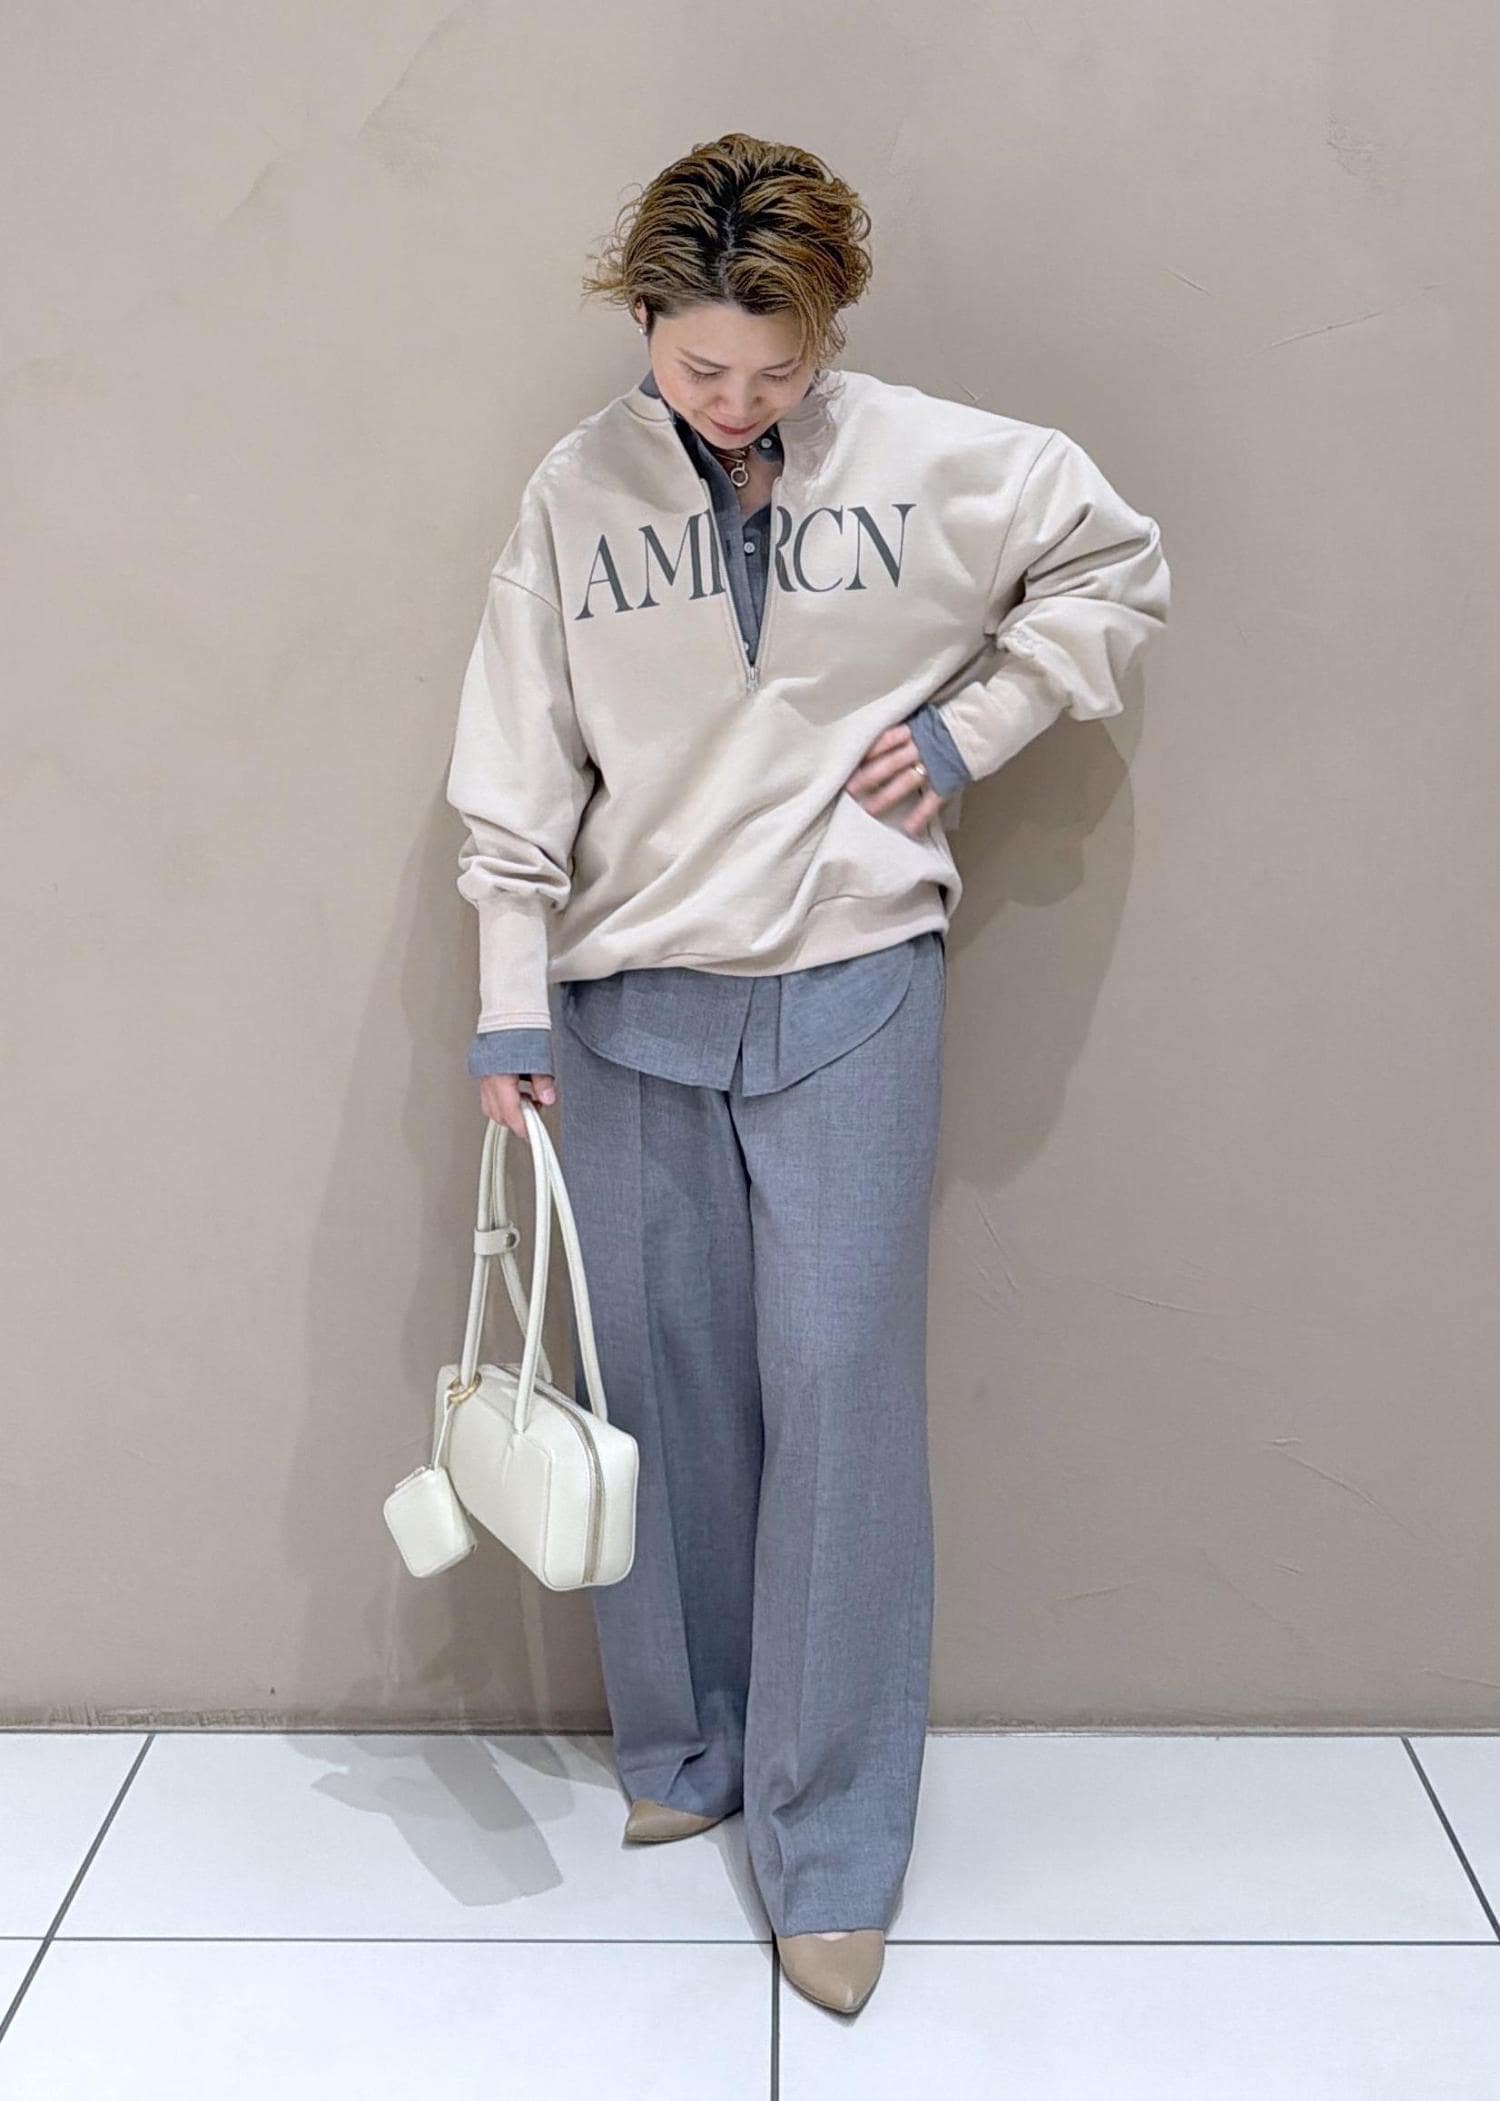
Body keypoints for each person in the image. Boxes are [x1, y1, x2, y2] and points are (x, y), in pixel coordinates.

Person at [444, 130, 1170, 2016]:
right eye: (703, 366)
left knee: (840, 1400)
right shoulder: (576, 492)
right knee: (663, 1390)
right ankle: (687, 1748)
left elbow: (1115, 562)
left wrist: (980, 721)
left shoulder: (933, 459)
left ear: (828, 331)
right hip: (624, 997)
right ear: (643, 323)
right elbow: (518, 761)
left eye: (779, 368)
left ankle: (832, 1845)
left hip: (851, 981)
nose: (739, 400)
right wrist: (509, 1004)